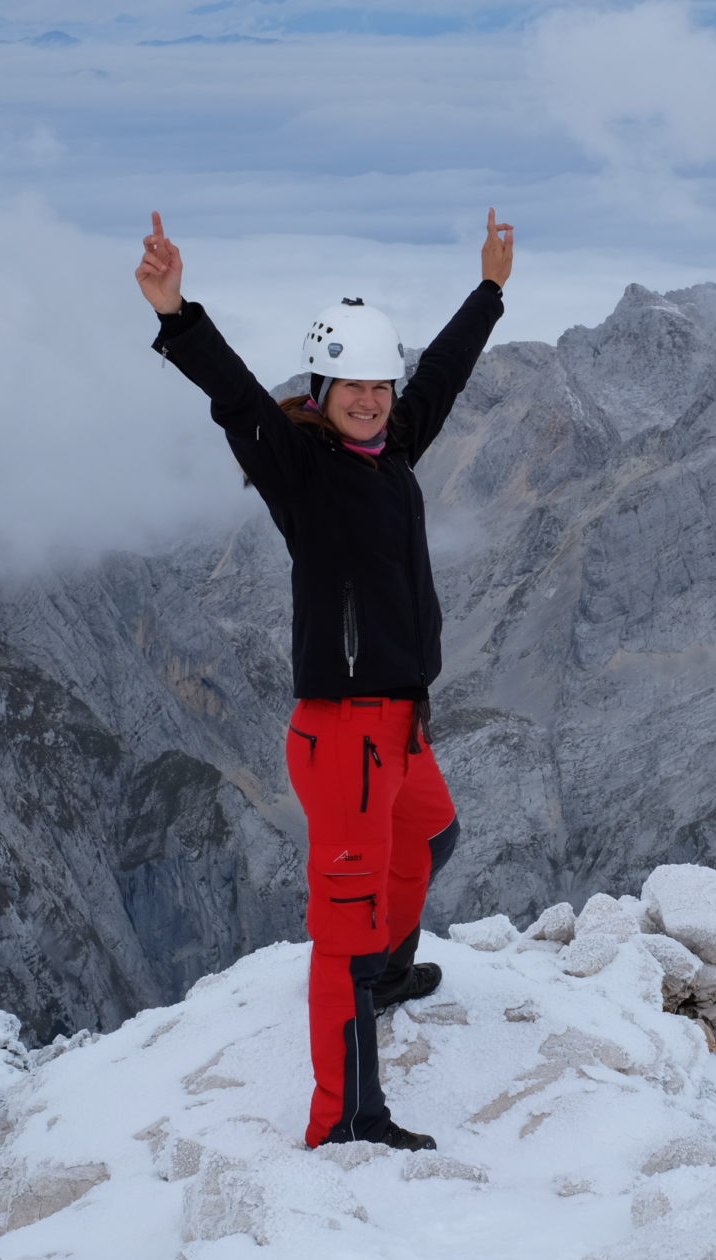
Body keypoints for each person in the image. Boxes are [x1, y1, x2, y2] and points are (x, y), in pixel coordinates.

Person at [136, 209, 514, 1151]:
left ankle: (383, 974)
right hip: (342, 737)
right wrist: (178, 313)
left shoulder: (393, 452)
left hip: (403, 727)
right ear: (321, 385)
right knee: (340, 929)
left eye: (379, 383)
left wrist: (490, 290)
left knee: (432, 831)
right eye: (352, 383)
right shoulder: (298, 468)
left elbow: (443, 378)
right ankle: (345, 1114)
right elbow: (234, 399)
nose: (372, 398)